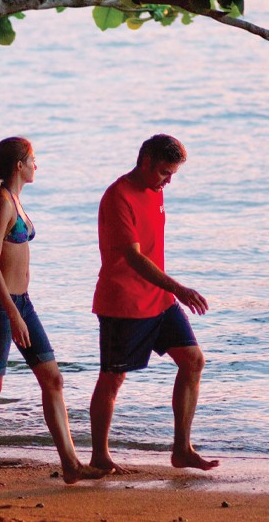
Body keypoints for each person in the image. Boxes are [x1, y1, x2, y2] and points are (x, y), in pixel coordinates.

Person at [0, 137, 108, 487]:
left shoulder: (14, 201)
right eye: (32, 160)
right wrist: (5, 312)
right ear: (18, 166)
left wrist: (12, 309)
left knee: (53, 379)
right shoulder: (0, 203)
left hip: (21, 302)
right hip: (3, 306)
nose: (36, 166)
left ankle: (71, 464)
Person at [90, 134, 218, 473]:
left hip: (159, 300)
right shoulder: (118, 196)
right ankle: (100, 456)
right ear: (145, 161)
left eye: (172, 174)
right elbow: (133, 257)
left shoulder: (156, 190)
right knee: (113, 379)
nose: (168, 181)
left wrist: (171, 292)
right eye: (164, 172)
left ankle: (182, 449)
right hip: (123, 302)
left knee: (193, 361)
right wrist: (180, 288)